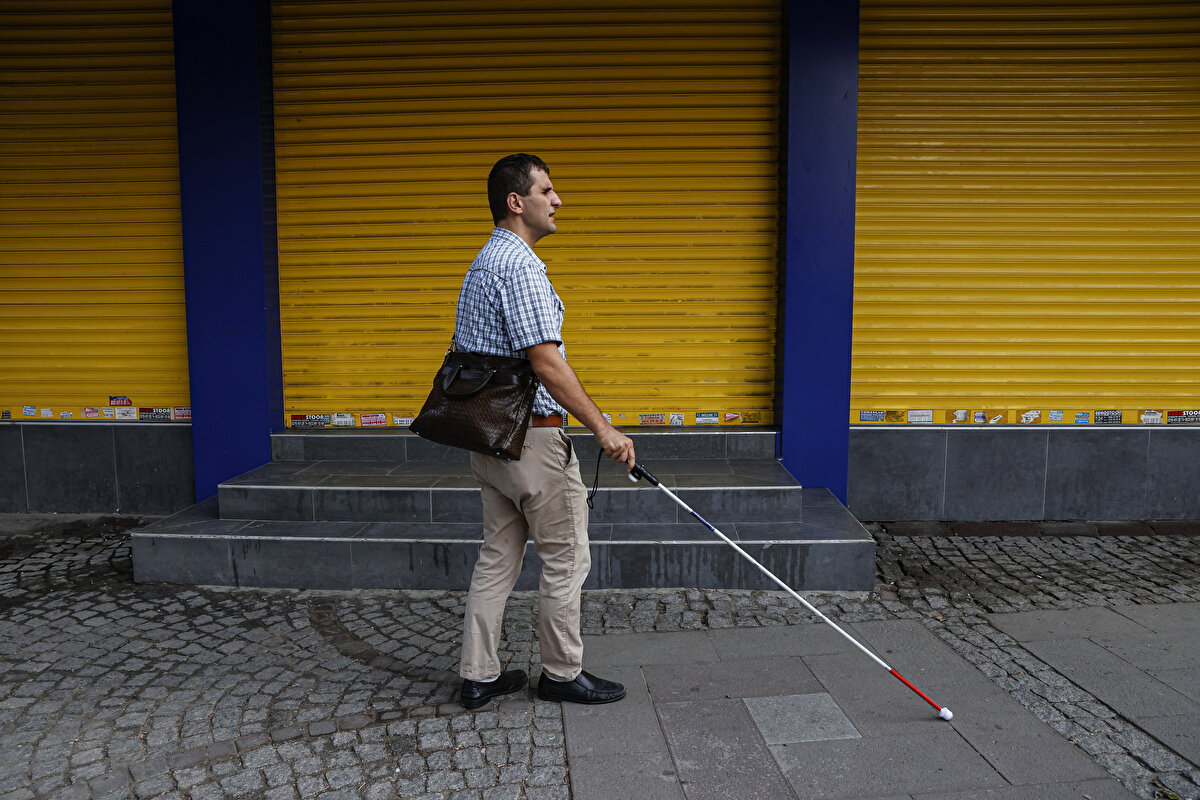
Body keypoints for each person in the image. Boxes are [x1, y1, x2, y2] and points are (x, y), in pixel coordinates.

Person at [453, 154, 637, 710]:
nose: (557, 201)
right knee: (565, 559)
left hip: (489, 440)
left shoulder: (484, 261)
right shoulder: (522, 266)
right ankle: (561, 673)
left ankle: (479, 675)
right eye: (548, 190)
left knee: (497, 557)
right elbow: (547, 363)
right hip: (531, 441)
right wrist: (604, 429)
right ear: (518, 201)